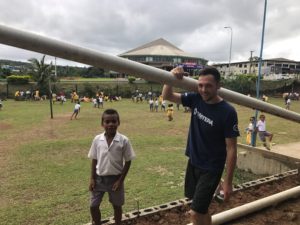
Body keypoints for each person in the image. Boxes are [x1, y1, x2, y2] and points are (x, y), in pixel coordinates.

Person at [162, 66, 239, 225]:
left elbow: (231, 148)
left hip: (211, 168)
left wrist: (228, 182)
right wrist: (171, 77)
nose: (203, 90)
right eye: (200, 85)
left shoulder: (228, 112)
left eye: (209, 86)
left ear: (219, 85)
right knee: (201, 210)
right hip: (194, 162)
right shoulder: (196, 98)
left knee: (195, 213)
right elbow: (167, 95)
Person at [88, 109, 136, 225]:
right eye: (107, 121)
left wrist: (120, 180)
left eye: (113, 121)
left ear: (118, 122)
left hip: (116, 180)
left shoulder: (123, 140)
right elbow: (94, 159)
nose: (110, 124)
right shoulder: (97, 140)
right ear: (102, 123)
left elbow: (128, 161)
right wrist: (92, 178)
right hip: (99, 179)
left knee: (117, 206)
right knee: (93, 206)